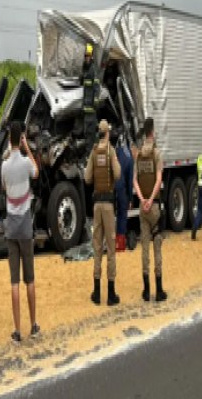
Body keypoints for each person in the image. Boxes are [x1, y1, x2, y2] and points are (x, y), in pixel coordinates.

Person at [0, 121, 40, 344]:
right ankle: (33, 324)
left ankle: (17, 329)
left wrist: (13, 148)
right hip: (25, 226)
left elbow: (5, 188)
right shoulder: (25, 162)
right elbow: (36, 172)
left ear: (8, 140)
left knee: (14, 281)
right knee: (30, 279)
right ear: (21, 139)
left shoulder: (5, 166)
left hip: (11, 227)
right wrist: (28, 149)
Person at [84, 119, 121, 306]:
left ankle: (97, 292)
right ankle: (111, 293)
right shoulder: (110, 151)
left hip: (96, 204)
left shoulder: (93, 151)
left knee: (97, 247)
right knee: (111, 248)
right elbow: (118, 173)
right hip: (108, 205)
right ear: (107, 133)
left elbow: (87, 177)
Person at [133, 118, 167, 302]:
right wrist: (151, 200)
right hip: (154, 207)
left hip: (142, 208)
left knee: (144, 248)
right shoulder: (156, 153)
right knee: (157, 247)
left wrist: (142, 199)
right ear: (152, 132)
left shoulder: (138, 155)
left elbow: (135, 181)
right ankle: (159, 290)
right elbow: (159, 179)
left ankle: (146, 291)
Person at [114, 135, 133, 252]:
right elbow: (129, 181)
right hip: (121, 188)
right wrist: (130, 198)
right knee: (122, 214)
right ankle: (120, 244)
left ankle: (110, 242)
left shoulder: (114, 153)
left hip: (110, 188)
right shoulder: (129, 157)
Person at [81, 43, 99, 156]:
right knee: (86, 133)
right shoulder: (85, 70)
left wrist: (95, 101)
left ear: (91, 56)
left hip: (91, 110)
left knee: (90, 134)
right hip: (86, 110)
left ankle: (90, 157)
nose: (87, 58)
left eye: (88, 56)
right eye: (85, 56)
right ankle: (88, 155)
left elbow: (96, 87)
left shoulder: (93, 70)